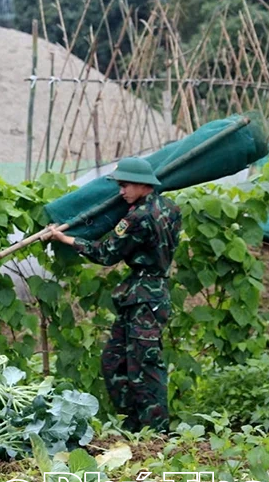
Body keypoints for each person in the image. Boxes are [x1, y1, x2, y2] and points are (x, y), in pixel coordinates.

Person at [44, 156, 182, 432]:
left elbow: (106, 254)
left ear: (143, 185)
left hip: (146, 297)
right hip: (147, 294)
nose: (121, 191)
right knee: (114, 360)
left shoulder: (137, 217)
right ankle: (133, 425)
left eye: (125, 185)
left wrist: (65, 239)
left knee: (145, 366)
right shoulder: (170, 207)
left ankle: (156, 432)